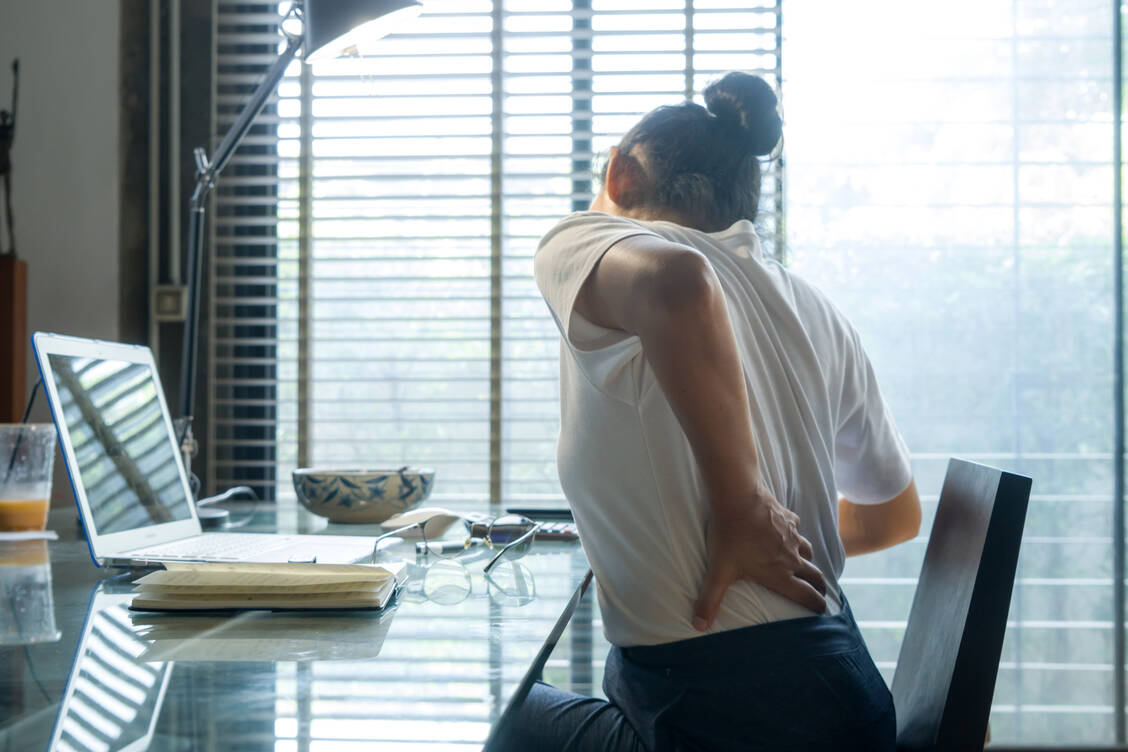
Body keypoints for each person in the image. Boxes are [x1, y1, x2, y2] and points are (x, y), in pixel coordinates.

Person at [492, 71, 922, 752]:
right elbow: (892, 517)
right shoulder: (815, 310)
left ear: (621, 174)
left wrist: (748, 512)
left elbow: (677, 285)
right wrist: (778, 544)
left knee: (495, 718)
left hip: (727, 721)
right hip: (849, 705)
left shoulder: (586, 240)